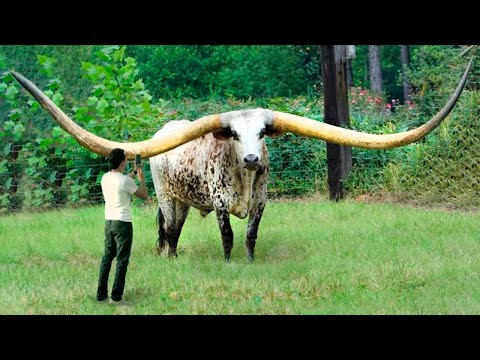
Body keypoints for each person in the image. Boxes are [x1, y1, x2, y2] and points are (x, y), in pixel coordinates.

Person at [96, 148, 148, 306]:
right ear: (122, 162)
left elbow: (123, 182)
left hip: (109, 222)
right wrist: (141, 177)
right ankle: (116, 298)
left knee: (107, 258)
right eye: (125, 160)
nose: (126, 162)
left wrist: (132, 172)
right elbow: (144, 195)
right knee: (122, 261)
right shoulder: (126, 181)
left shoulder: (105, 178)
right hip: (123, 224)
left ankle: (101, 295)